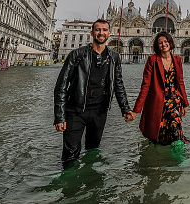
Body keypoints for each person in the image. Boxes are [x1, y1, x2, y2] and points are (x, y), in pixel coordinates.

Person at [53, 19, 134, 165]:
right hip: (75, 110)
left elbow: (118, 84)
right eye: (98, 30)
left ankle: (89, 182)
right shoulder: (77, 55)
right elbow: (61, 85)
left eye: (104, 30)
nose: (101, 33)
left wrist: (125, 108)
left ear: (109, 33)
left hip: (99, 111)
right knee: (70, 154)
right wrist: (60, 116)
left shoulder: (114, 57)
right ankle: (69, 184)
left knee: (92, 150)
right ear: (92, 33)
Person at [128, 32, 189, 147]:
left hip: (174, 102)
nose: (163, 44)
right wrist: (136, 110)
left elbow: (180, 82)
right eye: (160, 42)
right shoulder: (152, 59)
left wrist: (185, 103)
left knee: (176, 132)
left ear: (170, 43)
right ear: (157, 45)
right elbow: (145, 86)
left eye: (166, 41)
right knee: (159, 134)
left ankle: (180, 160)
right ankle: (160, 162)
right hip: (158, 102)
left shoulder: (177, 60)